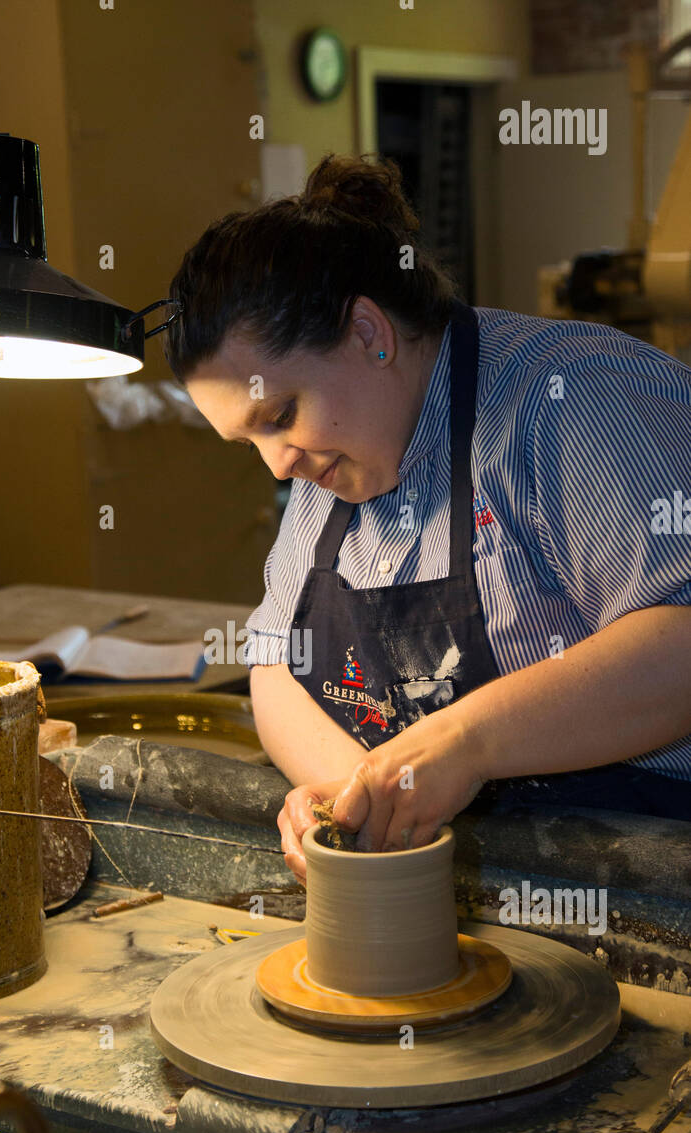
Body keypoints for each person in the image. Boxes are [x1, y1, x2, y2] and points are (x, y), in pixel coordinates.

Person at [164, 153, 691, 883]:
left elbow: (681, 646)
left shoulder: (568, 400)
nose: (277, 465)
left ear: (369, 334)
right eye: (248, 440)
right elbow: (274, 662)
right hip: (485, 873)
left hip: (658, 874)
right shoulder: (335, 458)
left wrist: (466, 742)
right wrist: (358, 796)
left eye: (279, 415)